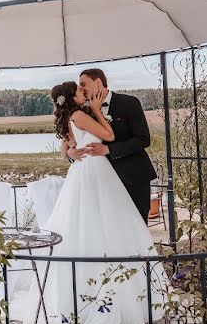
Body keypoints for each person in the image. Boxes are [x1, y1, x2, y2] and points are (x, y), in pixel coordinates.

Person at [10, 81, 169, 324]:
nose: (83, 92)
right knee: (107, 224)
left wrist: (72, 150)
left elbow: (66, 151)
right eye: (79, 90)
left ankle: (80, 298)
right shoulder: (81, 114)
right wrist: (96, 111)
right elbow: (109, 136)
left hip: (81, 173)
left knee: (82, 228)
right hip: (96, 171)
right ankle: (116, 299)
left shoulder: (66, 118)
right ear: (72, 96)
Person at [65, 68, 157, 223]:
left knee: (137, 225)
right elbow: (71, 140)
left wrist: (109, 149)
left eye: (83, 84)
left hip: (132, 177)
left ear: (98, 82)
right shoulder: (82, 111)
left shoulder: (129, 103)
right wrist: (70, 154)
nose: (81, 89)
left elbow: (143, 139)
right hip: (101, 182)